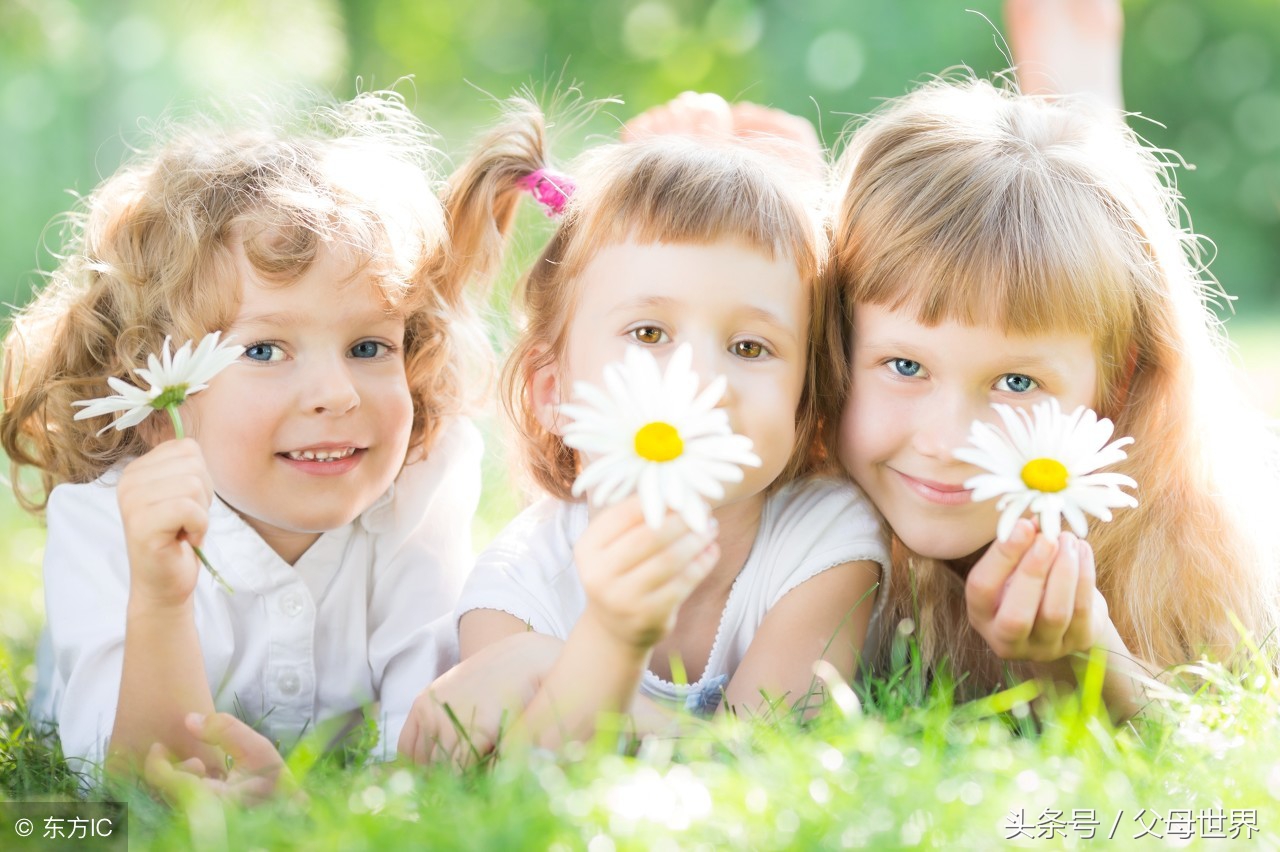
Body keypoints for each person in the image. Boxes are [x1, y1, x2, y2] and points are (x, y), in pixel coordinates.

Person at [0, 89, 540, 787]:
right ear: (161, 397)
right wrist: (162, 597)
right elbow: (127, 778)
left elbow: (430, 724)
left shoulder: (417, 485)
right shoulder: (106, 520)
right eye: (263, 350)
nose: (338, 393)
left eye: (370, 347)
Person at [399, 121, 889, 765]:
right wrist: (608, 633)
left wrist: (574, 663)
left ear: (805, 404)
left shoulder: (825, 543)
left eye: (750, 347)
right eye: (650, 334)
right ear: (554, 393)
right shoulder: (520, 582)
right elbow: (519, 786)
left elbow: (765, 768)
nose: (699, 380)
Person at [831, 74, 1280, 718]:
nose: (949, 439)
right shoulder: (789, 528)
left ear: (1117, 381)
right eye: (904, 365)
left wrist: (1087, 658)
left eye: (1017, 383)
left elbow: (1212, 785)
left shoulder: (1206, 559)